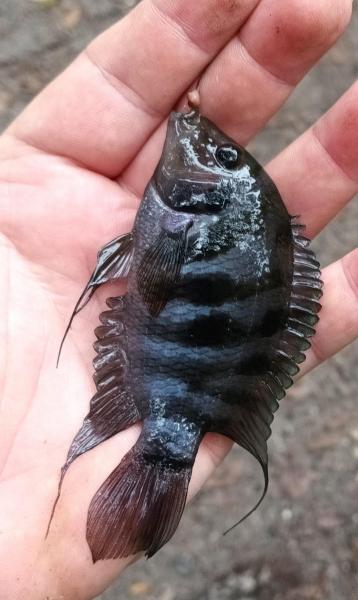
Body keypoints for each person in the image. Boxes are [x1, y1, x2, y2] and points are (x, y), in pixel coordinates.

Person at [0, 0, 357, 598]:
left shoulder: (192, 219)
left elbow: (154, 272)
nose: (204, 144)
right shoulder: (190, 216)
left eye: (219, 159)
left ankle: (151, 463)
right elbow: (157, 275)